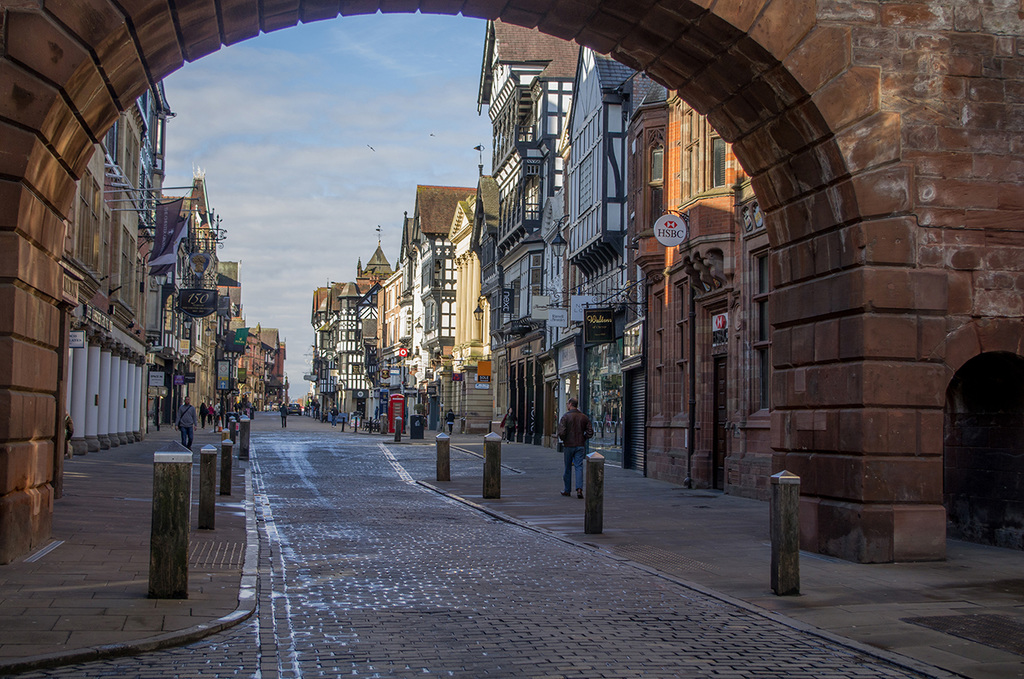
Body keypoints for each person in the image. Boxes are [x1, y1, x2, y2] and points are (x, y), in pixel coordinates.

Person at [557, 397, 594, 499]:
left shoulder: (565, 417)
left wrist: (564, 439)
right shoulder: (584, 417)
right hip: (580, 445)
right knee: (579, 467)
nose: (567, 406)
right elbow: (590, 432)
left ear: (570, 404)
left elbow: (561, 432)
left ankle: (567, 490)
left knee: (568, 467)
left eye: (567, 404)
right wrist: (583, 438)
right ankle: (579, 489)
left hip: (569, 445)